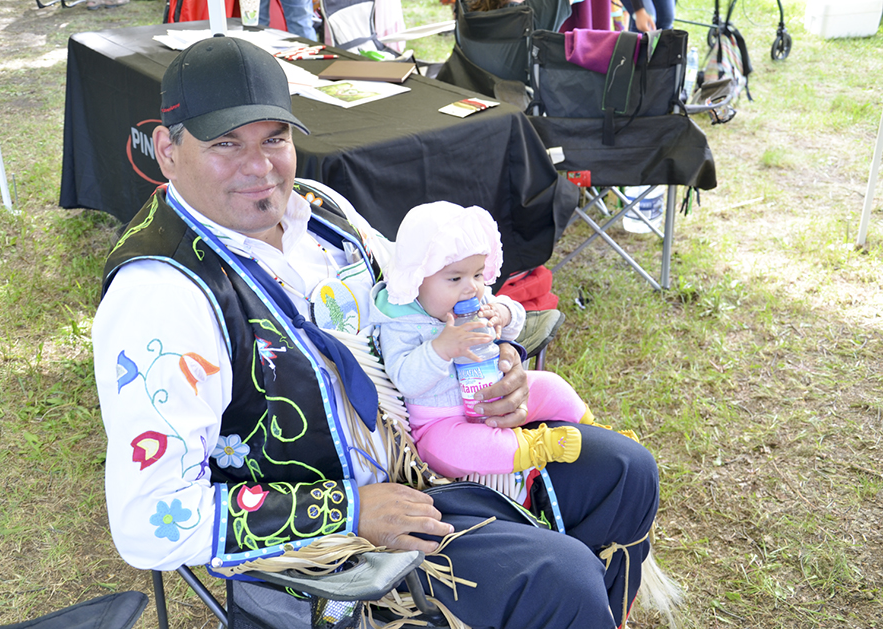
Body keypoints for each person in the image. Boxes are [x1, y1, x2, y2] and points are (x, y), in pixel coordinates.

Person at [92, 35, 660, 629]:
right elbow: (149, 520)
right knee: (560, 581)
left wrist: (498, 360)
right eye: (226, 143)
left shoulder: (320, 211)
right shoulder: (162, 296)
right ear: (168, 150)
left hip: (433, 453)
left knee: (625, 471)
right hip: (346, 545)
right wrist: (349, 509)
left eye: (275, 139)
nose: (259, 167)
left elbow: (423, 297)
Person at [371, 202, 605, 480]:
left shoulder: (474, 299)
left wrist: (504, 313)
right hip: (442, 421)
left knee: (551, 385)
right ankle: (536, 446)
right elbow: (404, 380)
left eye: (478, 274)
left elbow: (513, 327)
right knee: (448, 449)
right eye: (455, 277)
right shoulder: (400, 319)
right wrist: (440, 349)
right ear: (416, 278)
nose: (472, 287)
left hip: (495, 394)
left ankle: (596, 430)